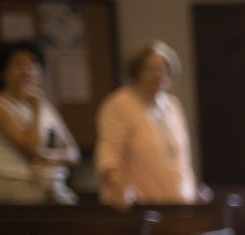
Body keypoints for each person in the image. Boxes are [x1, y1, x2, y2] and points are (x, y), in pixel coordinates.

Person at [95, 41, 202, 209]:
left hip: (178, 202)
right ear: (137, 72)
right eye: (150, 69)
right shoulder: (120, 104)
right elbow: (109, 154)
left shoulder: (172, 105)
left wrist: (193, 189)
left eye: (163, 69)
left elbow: (182, 157)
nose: (158, 74)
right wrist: (118, 189)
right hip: (140, 205)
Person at [0, 40, 79, 204]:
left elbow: (73, 152)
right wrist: (36, 109)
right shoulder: (3, 106)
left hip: (50, 182)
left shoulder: (44, 105)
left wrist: (50, 157)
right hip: (15, 184)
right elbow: (31, 148)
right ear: (4, 72)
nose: (27, 72)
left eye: (33, 65)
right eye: (19, 65)